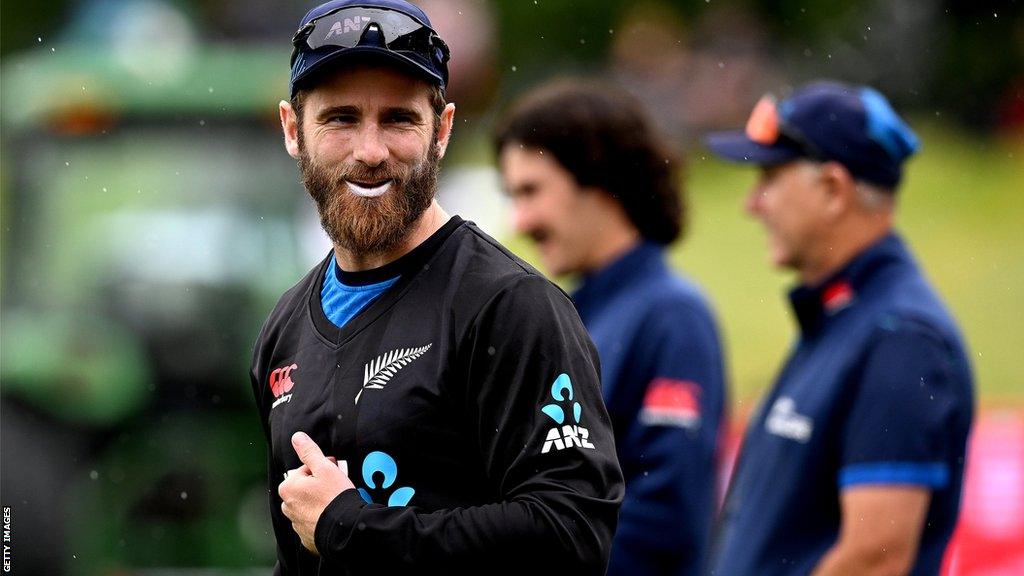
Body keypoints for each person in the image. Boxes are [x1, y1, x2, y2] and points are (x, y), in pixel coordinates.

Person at [249, 2, 624, 574]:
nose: (370, 152)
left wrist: (351, 527)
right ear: (293, 131)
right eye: (341, 118)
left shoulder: (511, 309)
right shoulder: (285, 327)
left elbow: (570, 535)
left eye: (399, 119)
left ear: (442, 130)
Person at [703, 81, 974, 575]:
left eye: (768, 177)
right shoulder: (844, 319)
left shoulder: (901, 340)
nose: (752, 204)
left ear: (833, 190)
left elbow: (874, 560)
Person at [495, 81, 728, 576]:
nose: (521, 220)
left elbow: (666, 522)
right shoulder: (569, 314)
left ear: (598, 180)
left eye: (531, 191)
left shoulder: (672, 317)